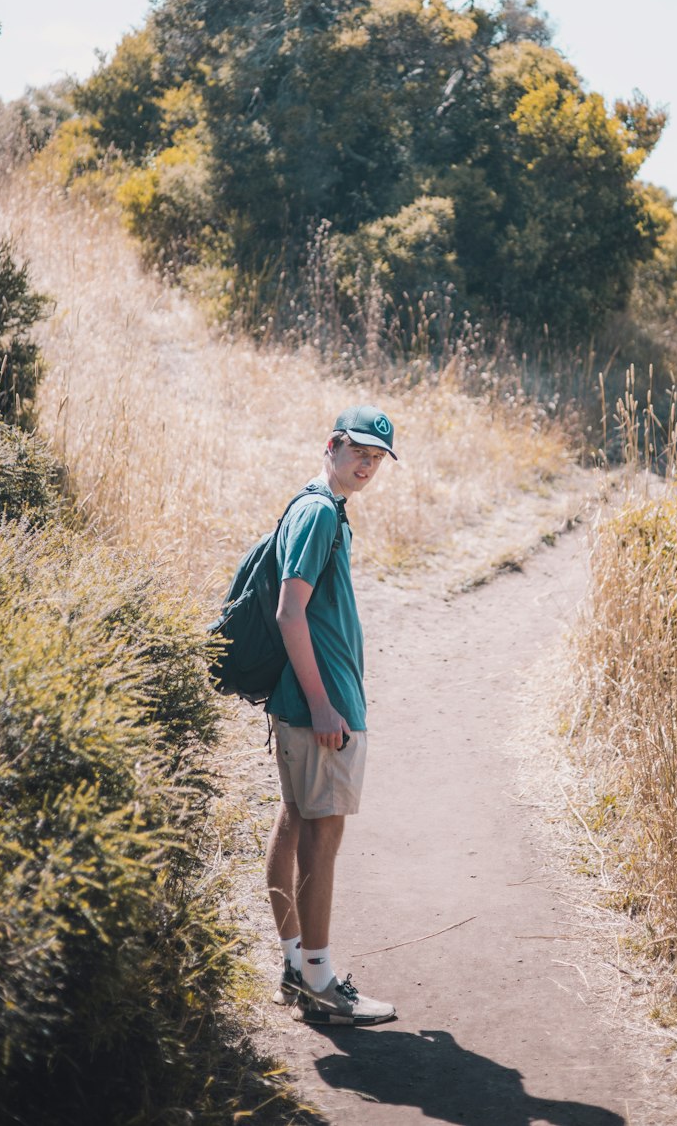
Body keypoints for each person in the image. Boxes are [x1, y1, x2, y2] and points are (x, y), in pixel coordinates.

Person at [264, 404, 399, 1027]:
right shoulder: (320, 511)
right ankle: (319, 980)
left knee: (296, 822)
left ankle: (296, 965)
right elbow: (291, 615)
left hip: (308, 702)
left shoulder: (316, 506)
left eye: (377, 457)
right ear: (332, 446)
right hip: (320, 707)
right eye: (360, 452)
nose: (367, 464)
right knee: (323, 834)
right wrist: (324, 704)